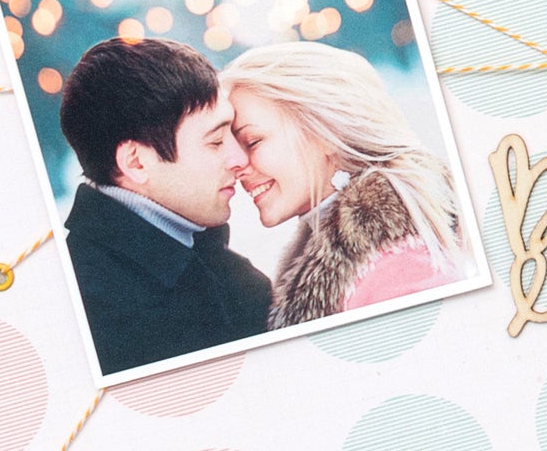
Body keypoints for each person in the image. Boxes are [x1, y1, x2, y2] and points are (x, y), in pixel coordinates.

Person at [57, 38, 273, 374]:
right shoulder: (90, 311)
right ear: (136, 162)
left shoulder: (229, 275)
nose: (239, 158)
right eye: (216, 141)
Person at [221, 42, 468, 327]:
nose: (238, 164)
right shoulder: (340, 257)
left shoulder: (400, 272)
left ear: (324, 133)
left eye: (252, 141)